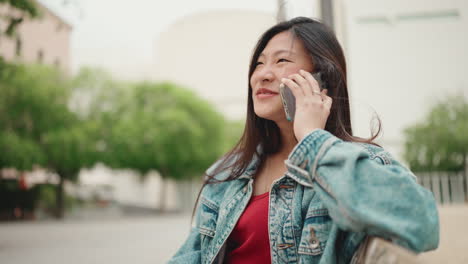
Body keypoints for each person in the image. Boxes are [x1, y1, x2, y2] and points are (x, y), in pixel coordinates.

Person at [168, 17, 439, 264]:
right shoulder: (228, 173)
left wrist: (312, 138)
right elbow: (193, 255)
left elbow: (422, 224)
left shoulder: (359, 163)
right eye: (260, 63)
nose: (263, 74)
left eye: (282, 61)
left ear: (322, 78)